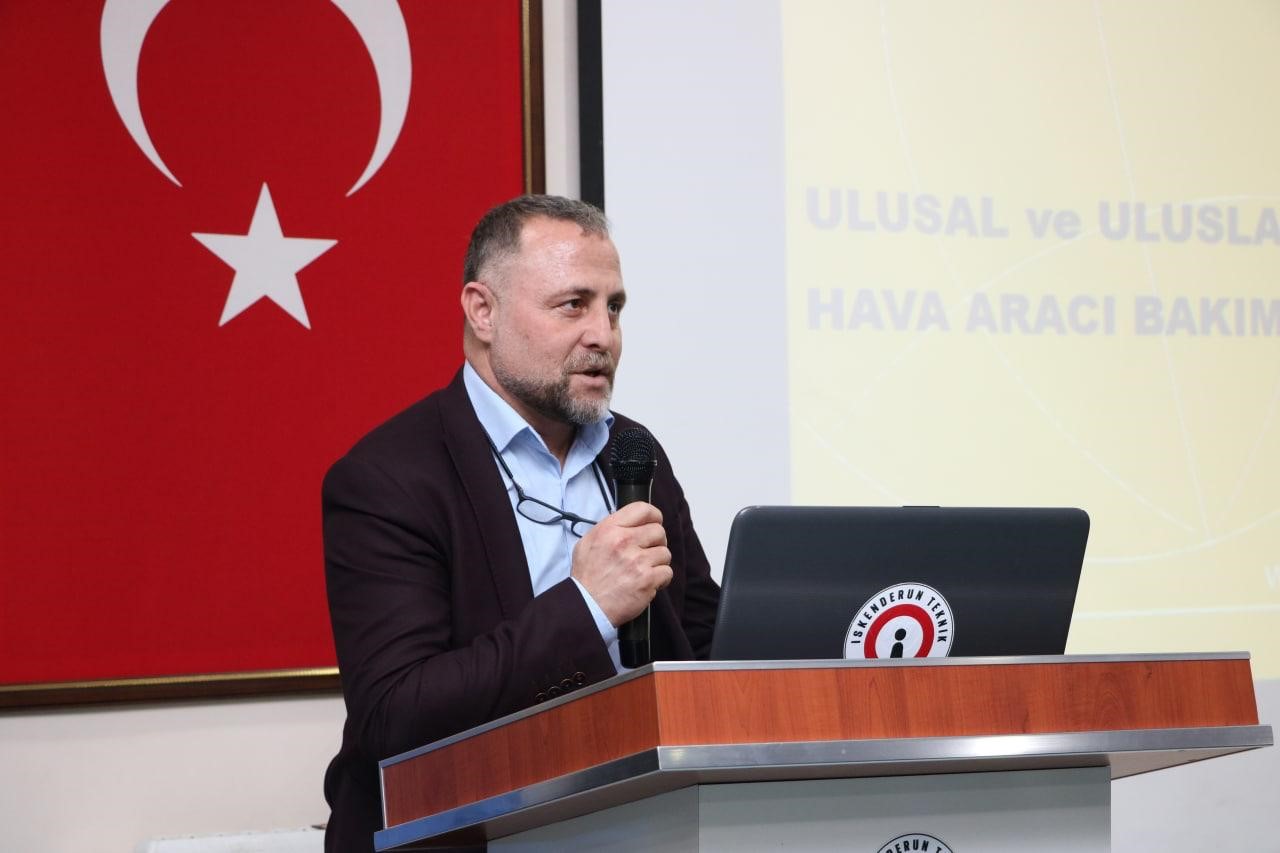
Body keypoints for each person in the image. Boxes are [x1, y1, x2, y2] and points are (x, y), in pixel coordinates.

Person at [321, 195, 720, 852]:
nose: (603, 335)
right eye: (573, 305)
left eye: (614, 308)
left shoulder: (633, 452)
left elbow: (704, 644)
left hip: (641, 827)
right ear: (483, 311)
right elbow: (396, 714)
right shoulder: (388, 478)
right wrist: (588, 606)